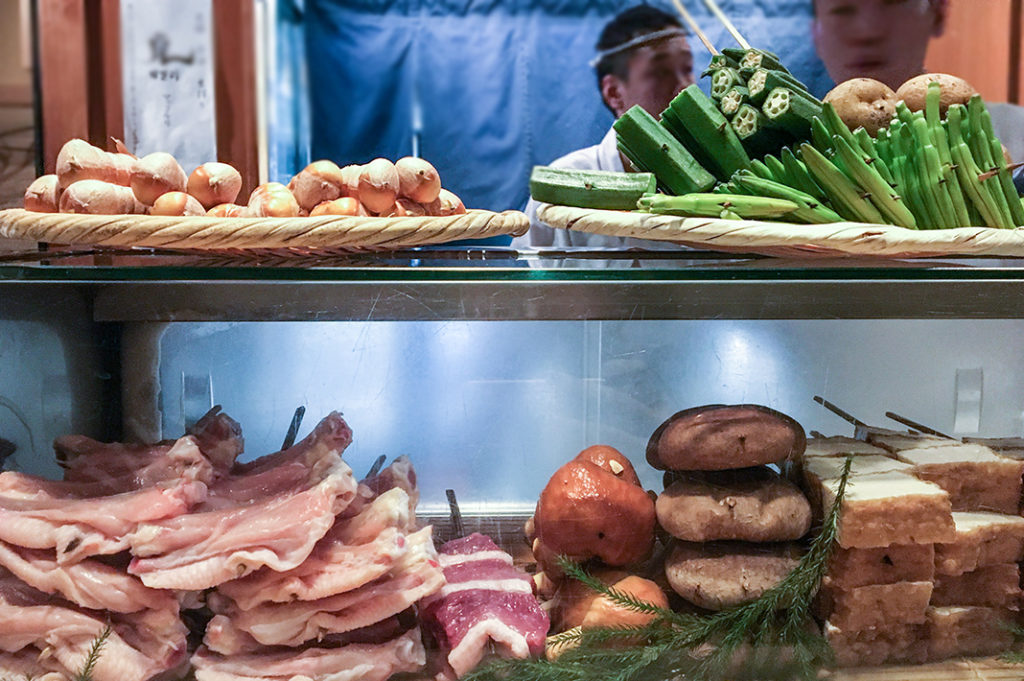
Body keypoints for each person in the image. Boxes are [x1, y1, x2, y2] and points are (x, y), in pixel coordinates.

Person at [514, 6, 695, 249]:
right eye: (660, 72)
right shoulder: (560, 186)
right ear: (613, 93)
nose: (685, 88)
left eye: (688, 69)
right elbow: (523, 282)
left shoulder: (714, 191)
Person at [812, 0, 1024, 163]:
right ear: (816, 34)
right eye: (842, 10)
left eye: (892, 4)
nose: (867, 31)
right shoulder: (796, 146)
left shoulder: (1018, 134)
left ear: (939, 14)